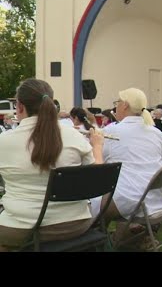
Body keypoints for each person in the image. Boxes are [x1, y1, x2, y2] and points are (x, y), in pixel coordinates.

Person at [0, 78, 104, 251]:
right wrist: (98, 147)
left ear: (19, 106)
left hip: (22, 227)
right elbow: (98, 179)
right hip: (76, 222)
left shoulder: (4, 141)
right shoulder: (75, 136)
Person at [90, 88, 162, 227]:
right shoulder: (156, 133)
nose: (116, 106)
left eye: (117, 102)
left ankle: (96, 240)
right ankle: (125, 237)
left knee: (89, 198)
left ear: (125, 105)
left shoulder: (112, 131)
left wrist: (96, 144)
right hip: (156, 196)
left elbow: (98, 168)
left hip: (129, 198)